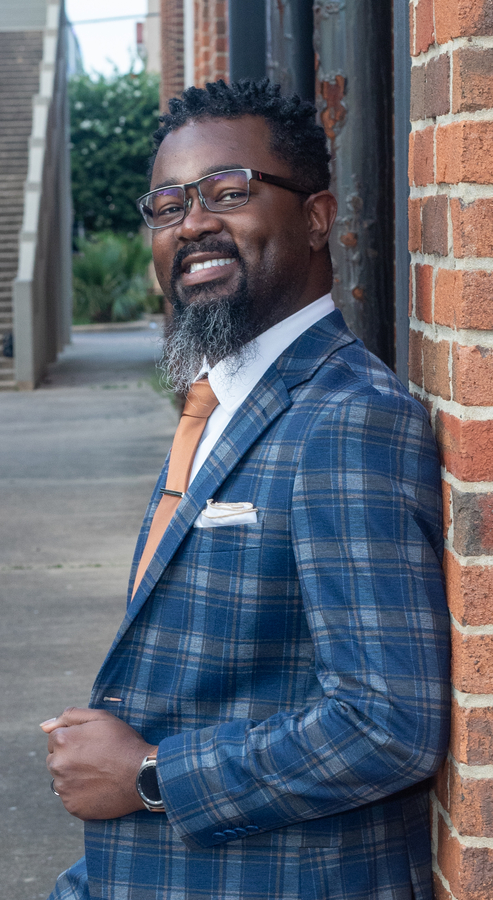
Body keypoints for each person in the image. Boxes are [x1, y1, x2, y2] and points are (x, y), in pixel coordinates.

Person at [42, 79, 450, 900]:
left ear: (317, 217)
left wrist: (151, 776)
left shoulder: (347, 418)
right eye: (167, 205)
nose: (191, 223)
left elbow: (389, 724)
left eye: (228, 192)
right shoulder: (224, 399)